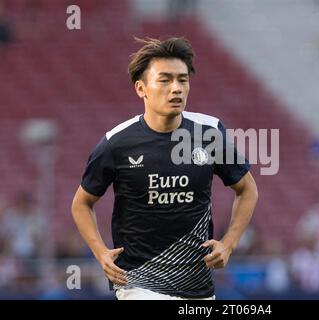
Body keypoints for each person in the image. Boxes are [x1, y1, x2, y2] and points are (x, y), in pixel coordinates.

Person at [71, 37, 258, 300]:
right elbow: (81, 203)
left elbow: (247, 189)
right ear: (141, 89)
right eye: (165, 80)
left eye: (182, 80)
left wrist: (229, 244)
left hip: (198, 287)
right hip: (138, 283)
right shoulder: (117, 143)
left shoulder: (209, 133)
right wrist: (100, 252)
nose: (176, 88)